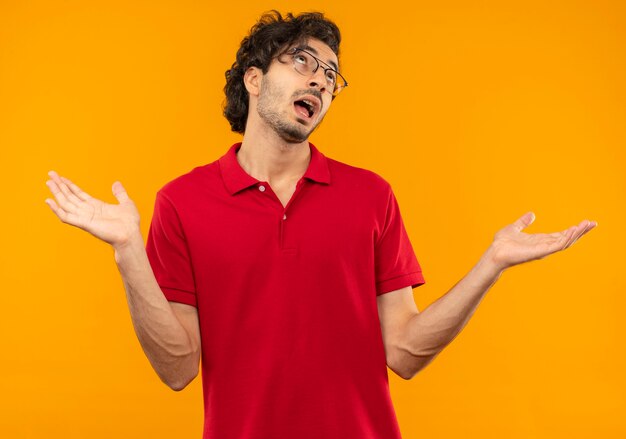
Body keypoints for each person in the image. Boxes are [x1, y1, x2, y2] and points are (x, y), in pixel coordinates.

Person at [44, 10, 597, 439]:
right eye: (302, 62)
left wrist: (491, 263)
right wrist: (127, 253)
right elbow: (177, 367)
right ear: (255, 80)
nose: (320, 80)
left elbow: (404, 352)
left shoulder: (370, 195)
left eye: (331, 75)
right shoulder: (183, 201)